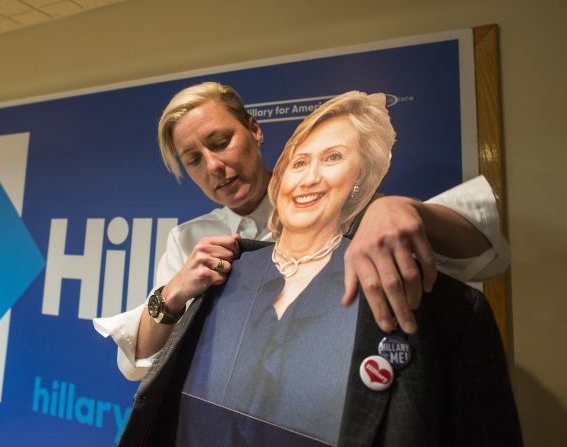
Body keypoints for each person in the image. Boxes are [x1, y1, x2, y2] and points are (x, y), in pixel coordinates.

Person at [117, 91, 521, 446]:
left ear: (255, 130)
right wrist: (171, 295)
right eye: (193, 160)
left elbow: (486, 256)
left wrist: (406, 208)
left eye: (221, 142)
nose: (214, 167)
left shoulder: (350, 209)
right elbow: (143, 362)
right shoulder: (189, 240)